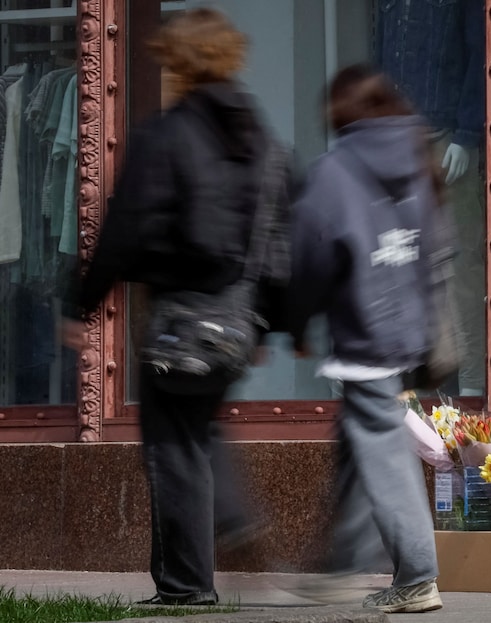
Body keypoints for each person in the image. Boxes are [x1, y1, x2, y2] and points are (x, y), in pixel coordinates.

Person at [62, 8, 293, 605]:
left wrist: (82, 304)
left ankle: (188, 586)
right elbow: (279, 236)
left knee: (172, 448)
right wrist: (275, 321)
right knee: (196, 433)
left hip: (179, 326)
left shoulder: (166, 135)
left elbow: (123, 229)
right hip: (236, 324)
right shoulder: (260, 138)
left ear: (180, 64)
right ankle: (215, 536)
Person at [286, 64, 449, 614]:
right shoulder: (417, 159)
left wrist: (296, 322)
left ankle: (418, 576)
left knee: (382, 451)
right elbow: (434, 254)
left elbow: (309, 257)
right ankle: (341, 563)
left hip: (363, 334)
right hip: (406, 330)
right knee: (362, 443)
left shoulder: (335, 171)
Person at [375, 0, 486, 396]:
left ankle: (474, 391)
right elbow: (381, 62)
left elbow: (482, 54)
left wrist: (467, 135)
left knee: (463, 274)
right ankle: (405, 389)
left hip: (443, 139)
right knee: (395, 267)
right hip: (396, 142)